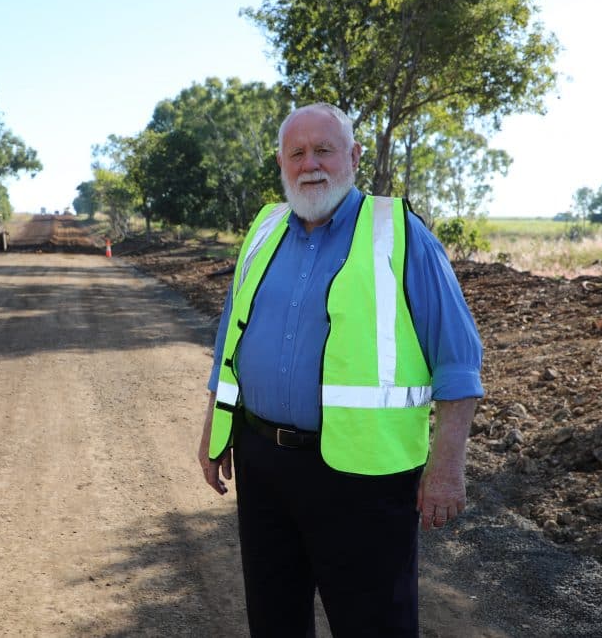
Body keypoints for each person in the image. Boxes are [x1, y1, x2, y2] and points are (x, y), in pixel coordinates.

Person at [198, 102, 483, 637]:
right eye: (297, 153)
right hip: (263, 465)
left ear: (353, 156)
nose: (311, 164)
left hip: (363, 479)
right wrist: (213, 434)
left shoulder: (399, 232)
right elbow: (230, 342)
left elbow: (459, 361)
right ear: (281, 163)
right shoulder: (263, 230)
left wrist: (446, 468)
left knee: (374, 624)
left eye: (324, 150)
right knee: (274, 617)